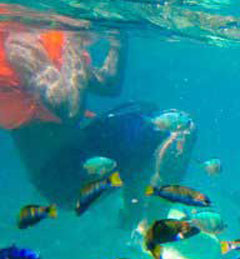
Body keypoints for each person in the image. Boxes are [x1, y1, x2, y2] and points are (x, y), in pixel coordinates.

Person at [0, 6, 195, 225]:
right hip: (67, 172)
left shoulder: (37, 36)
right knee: (181, 126)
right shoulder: (19, 42)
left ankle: (133, 214)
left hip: (79, 158)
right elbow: (69, 110)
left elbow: (108, 84)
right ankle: (155, 225)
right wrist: (73, 36)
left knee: (148, 112)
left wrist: (117, 35)